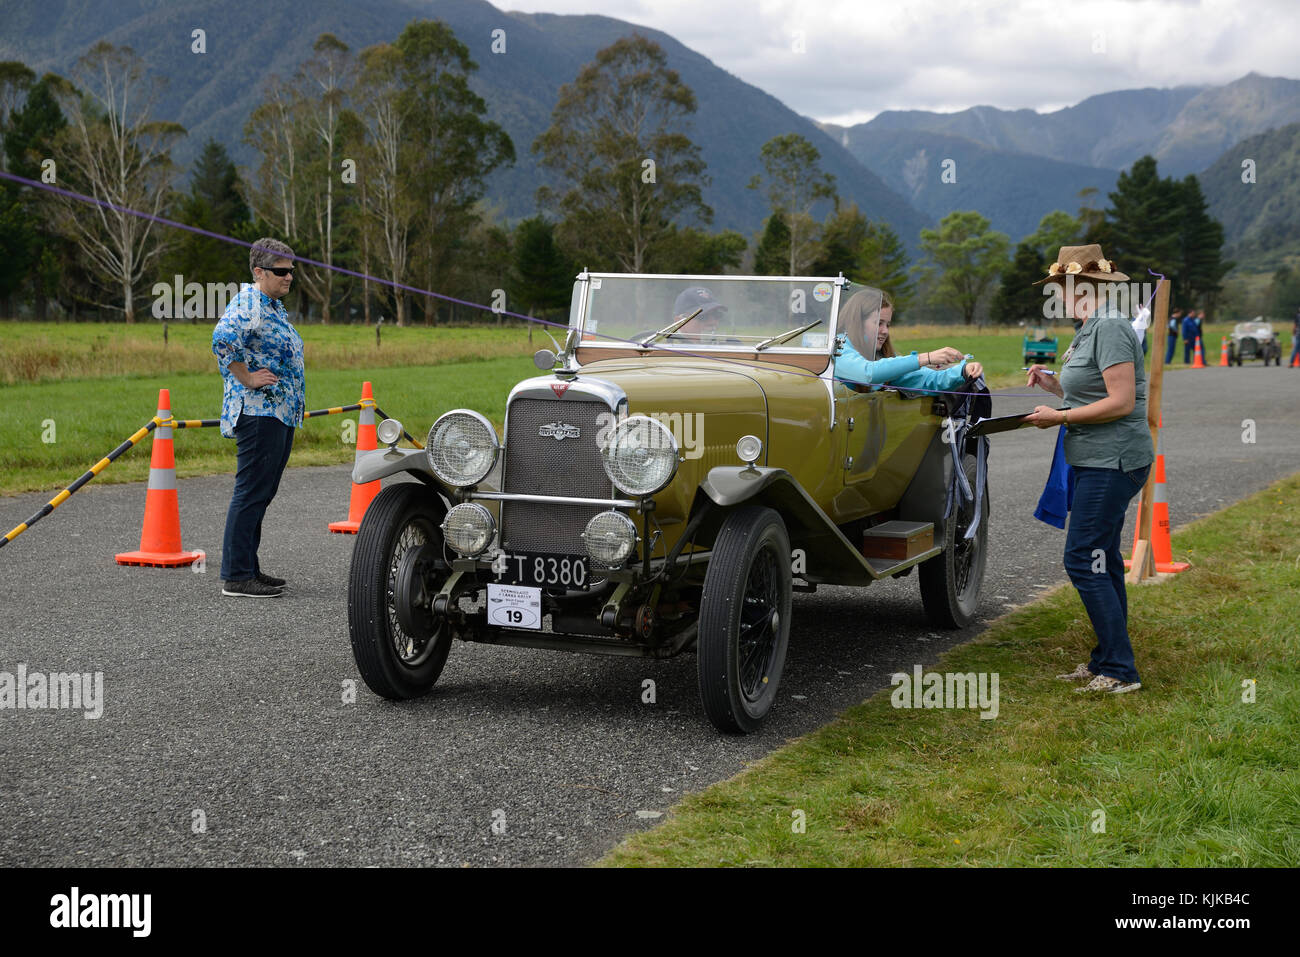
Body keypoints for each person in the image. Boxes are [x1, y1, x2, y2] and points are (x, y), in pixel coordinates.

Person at [1025, 244, 1153, 694]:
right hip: (1093, 458)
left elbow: (1121, 401)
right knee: (1102, 558)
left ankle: (1120, 670)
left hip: (1113, 461)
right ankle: (1108, 659)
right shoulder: (1090, 327)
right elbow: (1092, 392)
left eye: (1058, 287)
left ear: (1077, 286)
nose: (1055, 295)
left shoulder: (1112, 327)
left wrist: (1057, 417)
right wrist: (1055, 385)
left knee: (1082, 558)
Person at [211, 239, 306, 598]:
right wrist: (247, 377)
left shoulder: (272, 305)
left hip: (278, 413)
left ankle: (249, 567)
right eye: (281, 271)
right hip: (258, 413)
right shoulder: (249, 302)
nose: (289, 277)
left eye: (292, 270)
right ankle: (236, 576)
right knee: (250, 493)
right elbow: (222, 340)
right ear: (258, 272)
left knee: (262, 493)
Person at [834, 289, 983, 389]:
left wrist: (962, 372)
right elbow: (867, 373)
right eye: (878, 323)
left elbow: (926, 380)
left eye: (888, 325)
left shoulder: (881, 357)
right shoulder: (837, 348)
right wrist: (926, 358)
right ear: (857, 321)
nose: (885, 331)